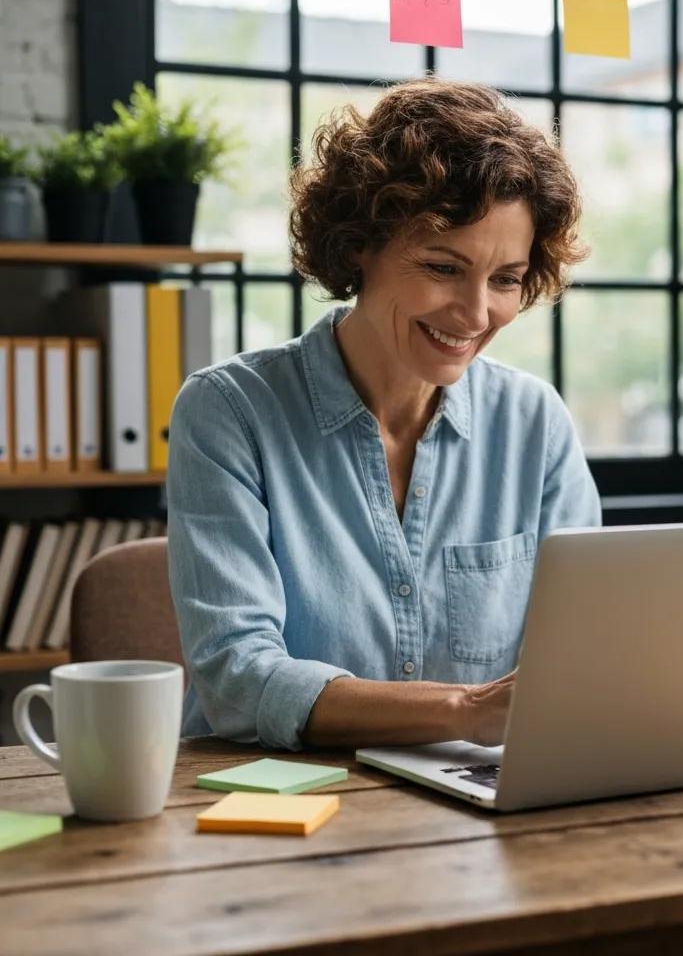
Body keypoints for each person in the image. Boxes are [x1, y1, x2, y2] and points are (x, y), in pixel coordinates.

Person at [167, 78, 601, 752]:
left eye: (506, 279)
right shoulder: (230, 413)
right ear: (360, 246)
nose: (476, 313)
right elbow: (237, 676)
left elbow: (583, 659)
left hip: (476, 815)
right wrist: (466, 709)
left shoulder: (534, 425)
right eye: (442, 266)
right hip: (273, 811)